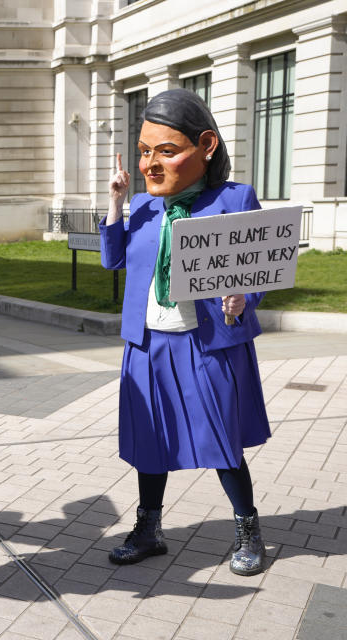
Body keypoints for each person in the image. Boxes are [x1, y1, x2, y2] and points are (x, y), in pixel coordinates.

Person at [101, 88, 269, 576]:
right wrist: (116, 203)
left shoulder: (234, 199)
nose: (151, 164)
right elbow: (113, 260)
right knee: (149, 438)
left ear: (207, 146)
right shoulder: (143, 205)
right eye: (145, 152)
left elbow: (259, 268)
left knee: (220, 436)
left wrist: (243, 297)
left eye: (166, 151)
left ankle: (248, 527)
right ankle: (149, 529)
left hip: (207, 344)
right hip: (148, 343)